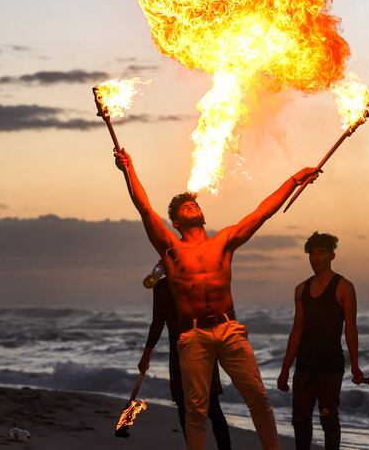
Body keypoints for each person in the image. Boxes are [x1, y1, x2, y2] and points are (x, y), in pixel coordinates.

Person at [114, 147, 318, 450]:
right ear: (175, 222)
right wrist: (128, 169)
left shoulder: (223, 241)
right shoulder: (170, 248)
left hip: (228, 329)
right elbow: (143, 208)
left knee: (259, 398)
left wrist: (294, 179)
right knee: (196, 409)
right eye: (184, 207)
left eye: (193, 204)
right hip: (193, 335)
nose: (190, 207)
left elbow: (262, 212)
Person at [277, 232, 364, 450]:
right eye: (312, 253)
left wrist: (355, 366)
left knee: (328, 419)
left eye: (321, 253)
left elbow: (351, 329)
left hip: (330, 365)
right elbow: (296, 331)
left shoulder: (344, 287)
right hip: (304, 364)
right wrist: (285, 369)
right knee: (300, 420)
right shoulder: (301, 289)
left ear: (331, 255)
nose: (316, 258)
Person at [138, 263, 232, 449]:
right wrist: (146, 355)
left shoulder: (198, 284)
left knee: (212, 406)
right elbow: (157, 323)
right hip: (178, 352)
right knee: (183, 406)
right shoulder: (161, 288)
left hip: (203, 350)